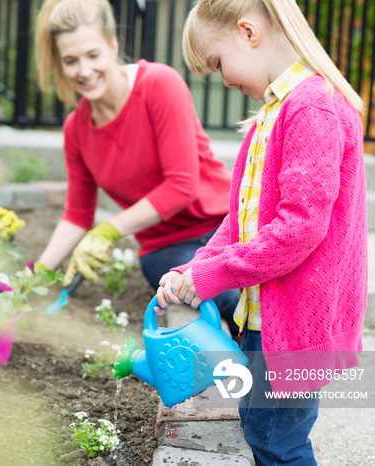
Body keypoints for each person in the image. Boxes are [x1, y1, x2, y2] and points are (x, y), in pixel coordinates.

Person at [154, 0, 367, 464]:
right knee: (260, 428)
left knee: (278, 443)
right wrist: (194, 268)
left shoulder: (312, 108)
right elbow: (241, 219)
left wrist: (213, 275)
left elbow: (298, 229)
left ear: (248, 32)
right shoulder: (272, 113)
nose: (224, 80)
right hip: (265, 319)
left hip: (291, 326)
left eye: (218, 63)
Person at [32, 0, 240, 336]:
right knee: (224, 294)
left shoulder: (159, 84)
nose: (84, 70)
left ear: (112, 46)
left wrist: (108, 231)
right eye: (70, 61)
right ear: (60, 63)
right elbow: (77, 215)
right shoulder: (76, 129)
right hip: (167, 248)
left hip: (225, 226)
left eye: (93, 55)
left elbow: (181, 186)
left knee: (243, 294)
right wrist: (37, 274)